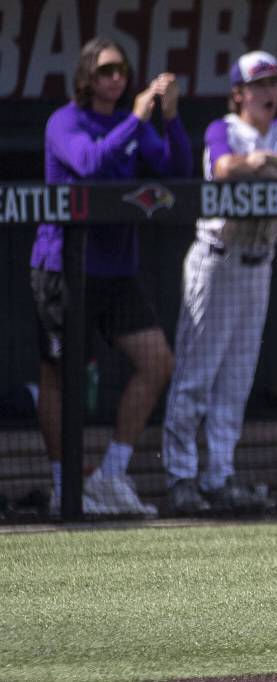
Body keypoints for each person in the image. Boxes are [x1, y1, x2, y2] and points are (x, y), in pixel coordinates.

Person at [31, 37, 191, 516]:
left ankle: (110, 475)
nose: (116, 78)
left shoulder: (134, 124)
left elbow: (178, 172)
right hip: (64, 268)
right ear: (86, 77)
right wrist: (137, 118)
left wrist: (170, 118)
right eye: (105, 71)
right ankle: (64, 486)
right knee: (62, 375)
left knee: (158, 362)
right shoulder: (65, 121)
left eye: (121, 69)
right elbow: (88, 163)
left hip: (117, 270)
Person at [161, 51, 277, 515]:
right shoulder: (224, 127)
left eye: (273, 83)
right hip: (218, 259)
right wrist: (259, 165)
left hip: (259, 263)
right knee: (197, 374)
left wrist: (268, 159)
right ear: (238, 94)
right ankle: (179, 476)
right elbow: (222, 167)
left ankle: (219, 475)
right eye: (258, 85)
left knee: (236, 379)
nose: (268, 92)